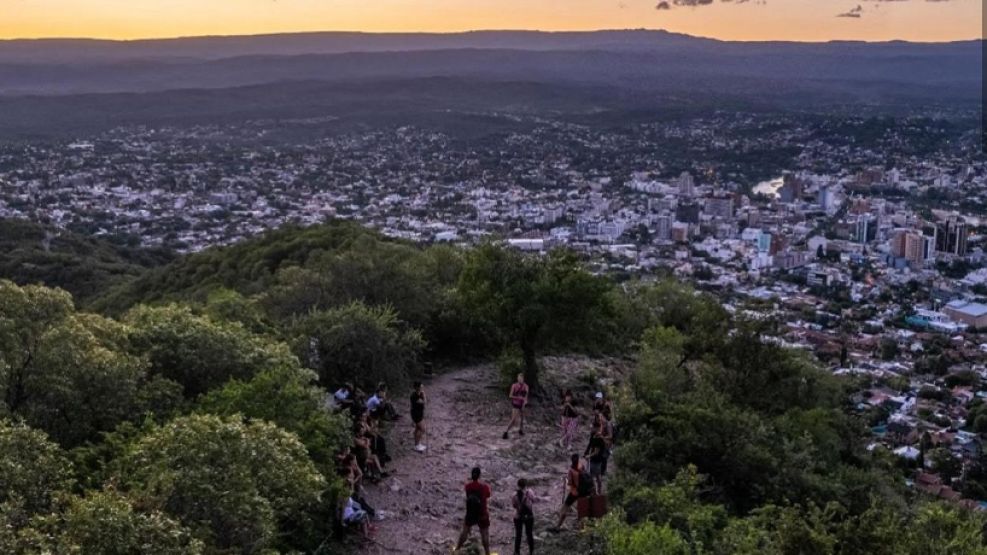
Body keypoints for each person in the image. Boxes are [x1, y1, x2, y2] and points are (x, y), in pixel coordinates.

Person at [454, 466, 492, 554]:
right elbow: (488, 495)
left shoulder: (467, 486)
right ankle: (487, 553)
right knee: (484, 534)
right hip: (482, 513)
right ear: (480, 475)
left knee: (464, 532)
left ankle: (457, 549)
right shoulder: (484, 487)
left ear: (471, 475)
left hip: (470, 513)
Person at [552, 454, 591, 531]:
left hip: (574, 492)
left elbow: (569, 483)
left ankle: (558, 525)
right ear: (578, 459)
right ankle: (582, 528)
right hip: (584, 492)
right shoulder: (581, 466)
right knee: (581, 509)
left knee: (565, 507)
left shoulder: (571, 470)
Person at [512, 478, 535, 555]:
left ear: (518, 485)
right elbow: (533, 500)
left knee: (518, 534)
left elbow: (514, 506)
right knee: (529, 534)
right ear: (526, 485)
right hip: (529, 516)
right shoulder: (530, 492)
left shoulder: (514, 495)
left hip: (518, 516)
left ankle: (517, 551)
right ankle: (531, 551)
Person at [503, 373, 529, 440]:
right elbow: (510, 395)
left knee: (522, 418)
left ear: (523, 379)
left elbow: (526, 396)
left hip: (522, 403)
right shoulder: (514, 385)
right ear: (517, 378)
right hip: (516, 403)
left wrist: (524, 403)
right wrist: (518, 397)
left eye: (521, 378)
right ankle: (506, 432)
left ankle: (521, 430)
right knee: (514, 419)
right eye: (518, 378)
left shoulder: (526, 386)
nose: (520, 379)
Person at [584, 428, 608, 494]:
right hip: (600, 460)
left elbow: (596, 452)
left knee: (592, 477)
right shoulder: (601, 439)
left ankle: (595, 492)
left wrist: (588, 456)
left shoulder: (597, 440)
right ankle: (599, 491)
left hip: (594, 461)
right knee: (598, 476)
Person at [410, 381, 427, 452]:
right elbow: (424, 402)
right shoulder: (414, 396)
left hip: (419, 413)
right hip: (416, 414)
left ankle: (417, 444)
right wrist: (424, 395)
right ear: (417, 387)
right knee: (422, 429)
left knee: (418, 428)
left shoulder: (419, 394)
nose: (422, 388)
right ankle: (417, 445)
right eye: (421, 387)